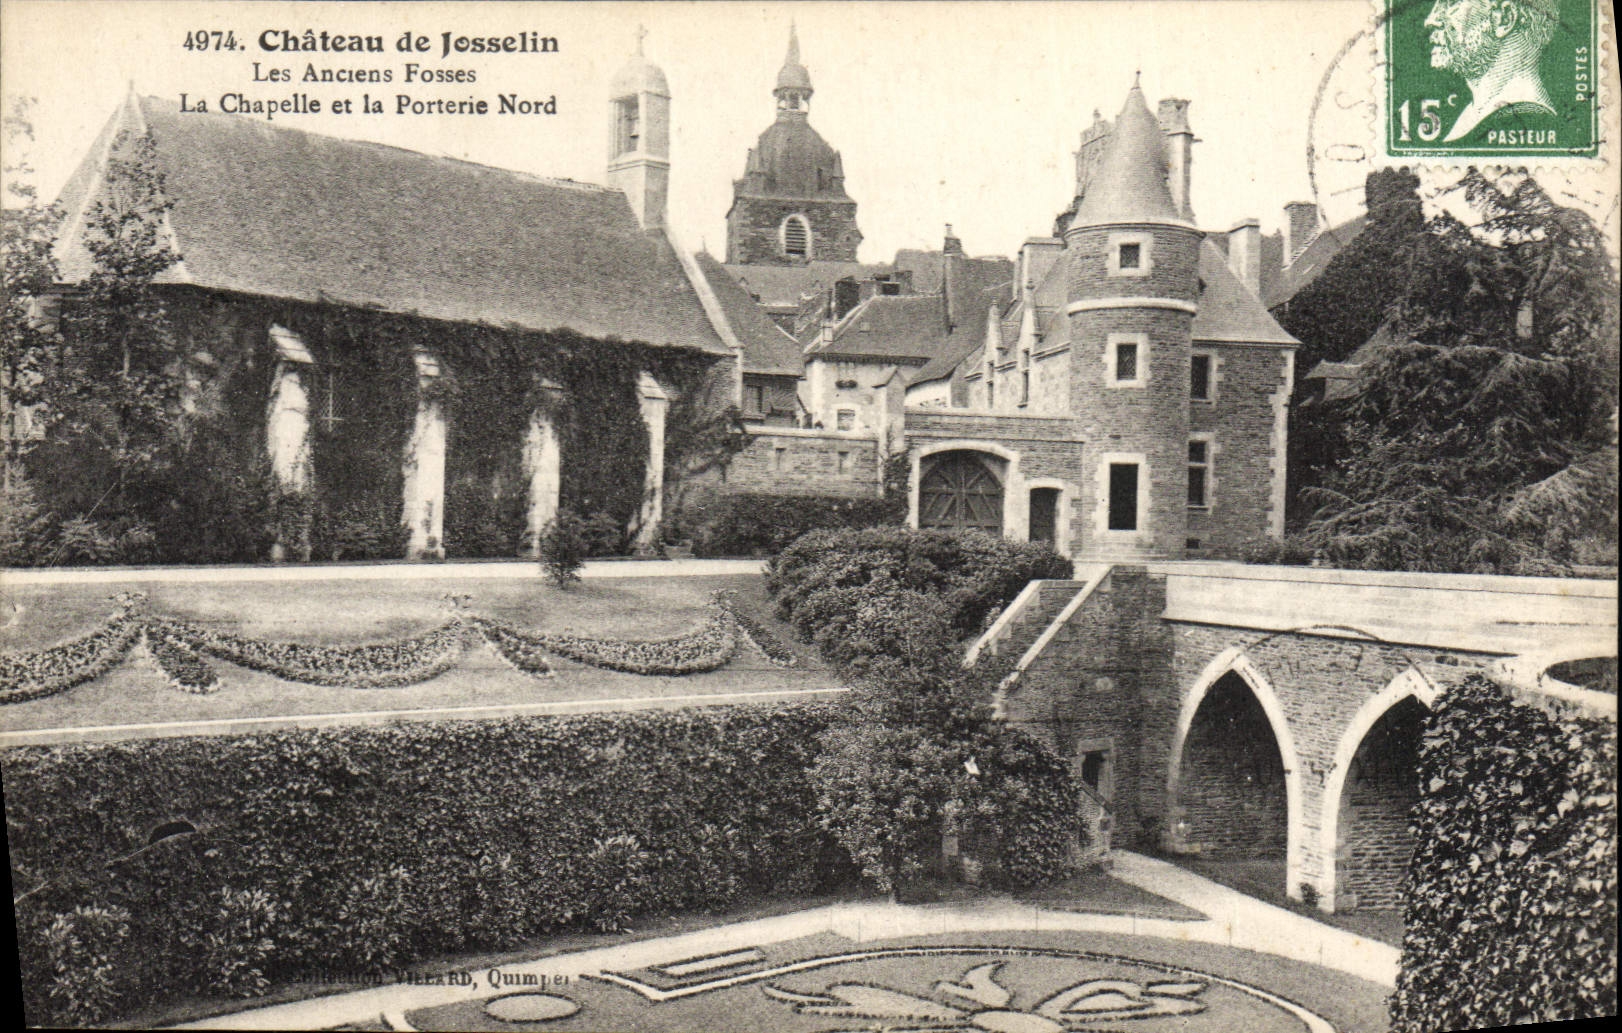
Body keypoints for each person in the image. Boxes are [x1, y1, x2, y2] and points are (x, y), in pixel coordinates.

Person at [1424, 0, 1559, 142]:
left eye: (1452, 3)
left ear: (1504, 18)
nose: (1431, 20)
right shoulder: (1474, 116)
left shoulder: (1525, 117)